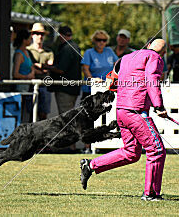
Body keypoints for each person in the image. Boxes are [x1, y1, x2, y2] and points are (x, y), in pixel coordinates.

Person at [80, 39, 168, 201]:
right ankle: (150, 194)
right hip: (136, 111)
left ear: (148, 45)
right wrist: (158, 105)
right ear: (163, 53)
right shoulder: (154, 58)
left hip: (121, 111)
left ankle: (90, 165)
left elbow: (111, 81)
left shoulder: (126, 58)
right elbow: (152, 79)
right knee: (156, 150)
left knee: (131, 153)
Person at [49, 26, 82, 114]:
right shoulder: (76, 47)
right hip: (74, 88)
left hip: (65, 89)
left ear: (60, 35)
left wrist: (47, 67)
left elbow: (60, 70)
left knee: (65, 117)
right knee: (70, 115)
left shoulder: (66, 48)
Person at [27, 23, 54, 120]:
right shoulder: (27, 50)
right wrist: (40, 67)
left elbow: (48, 68)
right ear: (32, 35)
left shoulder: (49, 52)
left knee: (43, 116)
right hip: (30, 85)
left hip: (45, 86)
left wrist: (37, 66)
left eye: (42, 34)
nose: (40, 36)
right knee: (30, 115)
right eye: (37, 33)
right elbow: (29, 67)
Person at [81, 30, 118, 98]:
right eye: (99, 40)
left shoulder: (109, 51)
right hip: (91, 88)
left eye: (104, 40)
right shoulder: (88, 52)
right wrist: (92, 80)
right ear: (94, 40)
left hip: (107, 88)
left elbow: (117, 65)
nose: (101, 42)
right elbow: (85, 69)